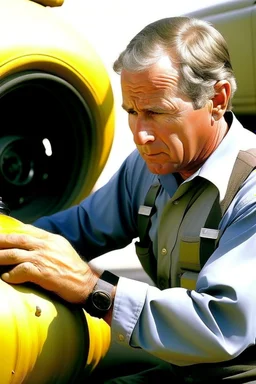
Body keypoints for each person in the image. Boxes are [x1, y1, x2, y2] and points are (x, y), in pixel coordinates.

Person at [0, 16, 256, 383]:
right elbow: (72, 231)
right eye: (132, 112)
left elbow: (220, 324)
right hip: (178, 368)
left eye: (157, 112)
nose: (141, 135)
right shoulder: (147, 169)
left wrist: (94, 289)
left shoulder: (251, 190)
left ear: (217, 100)